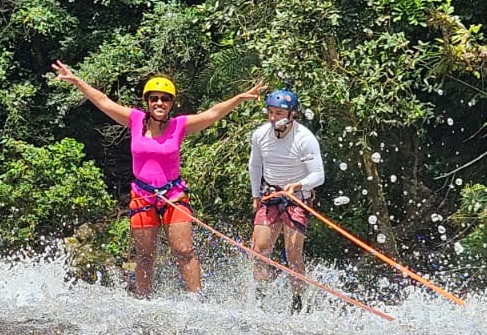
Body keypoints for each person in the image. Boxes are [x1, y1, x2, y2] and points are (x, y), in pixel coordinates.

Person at [52, 63, 263, 297]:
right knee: (145, 255)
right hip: (143, 195)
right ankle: (144, 299)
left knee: (184, 250)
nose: (159, 103)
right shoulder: (135, 120)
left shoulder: (179, 126)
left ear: (171, 103)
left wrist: (239, 98)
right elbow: (103, 102)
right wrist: (77, 81)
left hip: (173, 194)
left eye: (165, 99)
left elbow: (212, 114)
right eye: (154, 99)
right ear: (148, 102)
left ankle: (197, 298)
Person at [249, 88, 324, 312]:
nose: (273, 118)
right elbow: (255, 165)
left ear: (291, 114)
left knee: (293, 252)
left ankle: (298, 300)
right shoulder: (260, 135)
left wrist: (299, 185)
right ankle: (260, 298)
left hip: (296, 198)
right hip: (270, 195)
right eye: (270, 112)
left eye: (279, 113)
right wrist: (255, 194)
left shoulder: (305, 139)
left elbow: (318, 175)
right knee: (259, 248)